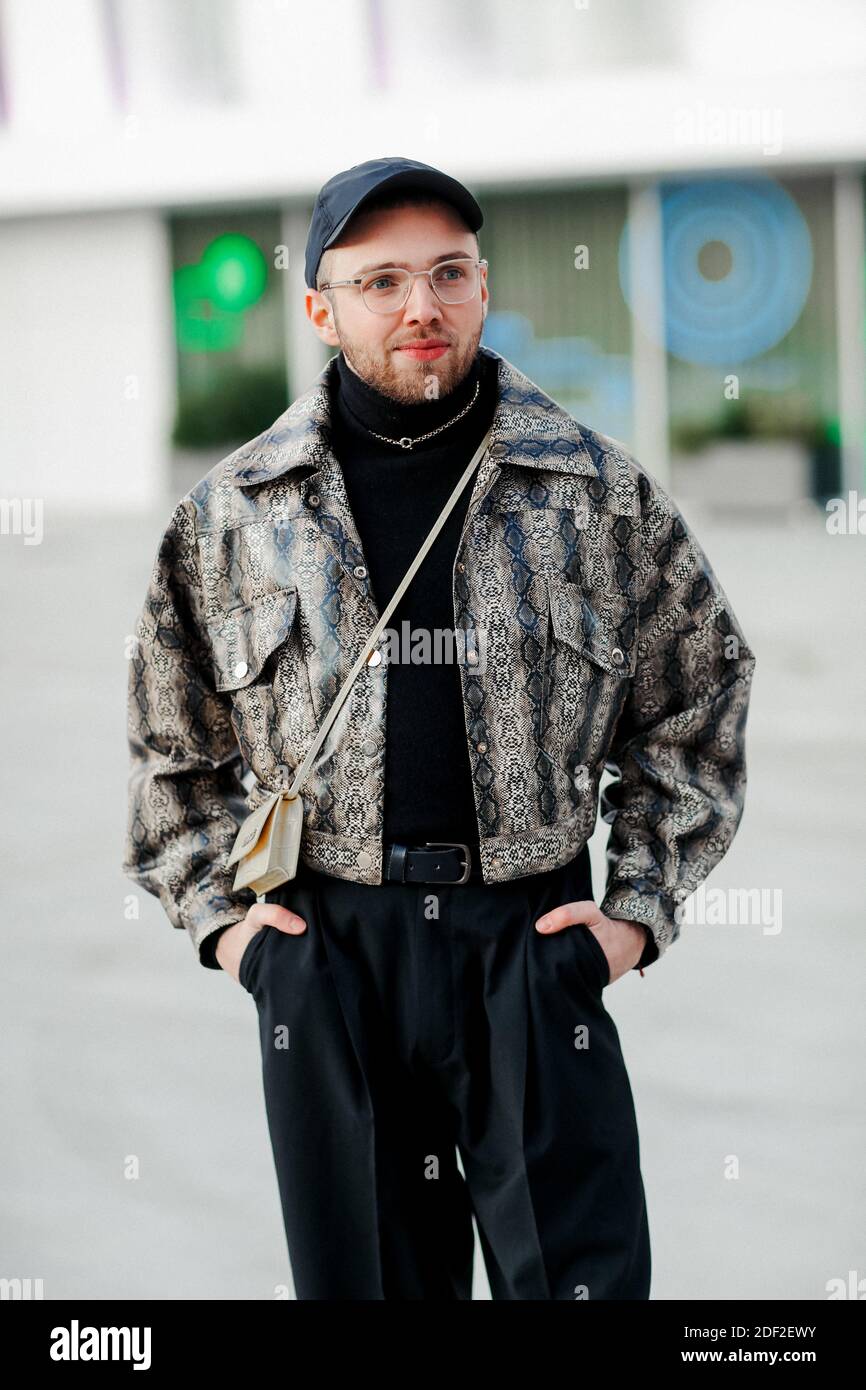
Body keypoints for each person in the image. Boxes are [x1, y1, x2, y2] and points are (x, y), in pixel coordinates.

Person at [124, 156, 756, 1300]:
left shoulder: (593, 491)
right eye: (380, 283)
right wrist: (239, 940)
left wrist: (626, 919)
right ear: (319, 308)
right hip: (329, 960)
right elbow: (173, 751)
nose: (421, 305)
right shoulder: (234, 515)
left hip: (532, 942)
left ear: (480, 287)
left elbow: (696, 699)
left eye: (448, 274)